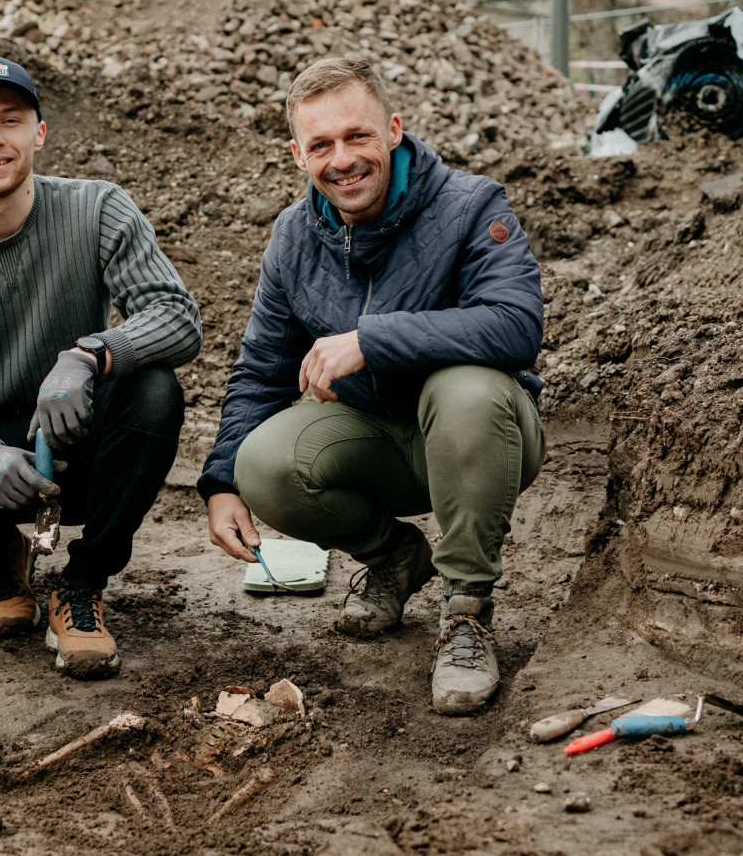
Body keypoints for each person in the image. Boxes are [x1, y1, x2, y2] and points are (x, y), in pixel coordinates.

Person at [199, 57, 545, 714]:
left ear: (392, 130)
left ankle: (466, 609)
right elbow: (262, 367)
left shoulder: (470, 205)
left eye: (357, 136)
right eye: (321, 145)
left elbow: (515, 325)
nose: (343, 160)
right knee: (263, 465)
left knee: (467, 389)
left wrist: (372, 339)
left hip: (485, 436)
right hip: (380, 440)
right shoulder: (294, 239)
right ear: (298, 155)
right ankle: (394, 556)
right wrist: (219, 483)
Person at [0, 54, 201, 679]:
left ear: (38, 133)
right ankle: (2, 559)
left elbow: (178, 318)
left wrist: (89, 355)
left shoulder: (98, 209)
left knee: (155, 391)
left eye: (12, 120)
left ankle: (79, 585)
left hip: (78, 444)